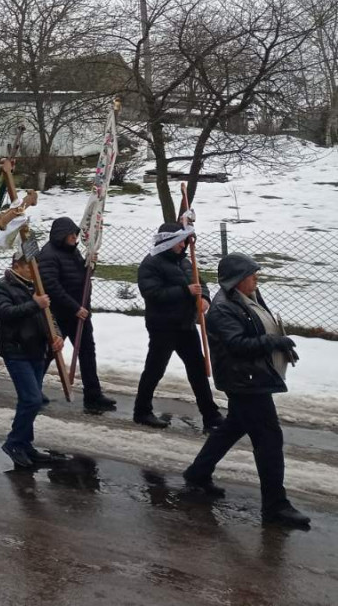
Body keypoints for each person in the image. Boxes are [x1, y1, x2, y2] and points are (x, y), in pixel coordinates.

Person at [183, 254, 309, 529]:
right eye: (252, 274)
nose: (256, 278)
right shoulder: (223, 308)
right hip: (245, 382)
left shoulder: (246, 299)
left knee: (232, 427)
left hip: (250, 377)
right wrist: (273, 341)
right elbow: (237, 343)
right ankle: (275, 506)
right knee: (269, 440)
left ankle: (197, 473)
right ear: (237, 280)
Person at [135, 222, 224, 431]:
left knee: (198, 370)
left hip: (185, 325)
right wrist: (186, 291)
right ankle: (141, 411)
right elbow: (152, 294)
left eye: (185, 240)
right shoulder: (151, 264)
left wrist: (204, 298)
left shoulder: (185, 262)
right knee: (155, 370)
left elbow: (199, 284)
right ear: (169, 242)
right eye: (181, 241)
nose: (184, 244)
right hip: (163, 326)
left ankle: (210, 415)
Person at [0, 248, 66, 468]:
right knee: (33, 399)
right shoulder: (0, 288)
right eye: (28, 267)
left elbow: (48, 315)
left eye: (36, 268)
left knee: (29, 401)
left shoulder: (35, 288)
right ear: (16, 266)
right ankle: (13, 442)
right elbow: (6, 313)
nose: (34, 272)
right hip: (16, 350)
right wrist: (35, 303)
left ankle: (25, 444)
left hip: (37, 350)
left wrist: (57, 335)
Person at [37, 217, 116, 412]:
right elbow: (52, 287)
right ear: (61, 236)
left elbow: (81, 276)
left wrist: (90, 265)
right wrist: (75, 308)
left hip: (80, 314)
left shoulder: (72, 252)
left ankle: (93, 394)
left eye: (76, 234)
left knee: (88, 352)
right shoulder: (48, 255)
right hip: (60, 314)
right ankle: (32, 389)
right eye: (71, 235)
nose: (75, 238)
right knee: (50, 352)